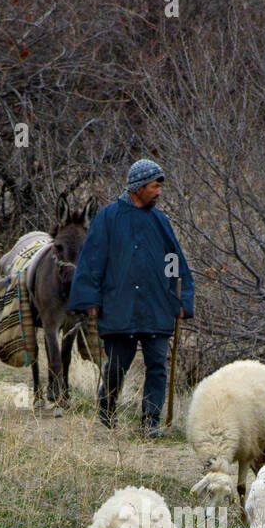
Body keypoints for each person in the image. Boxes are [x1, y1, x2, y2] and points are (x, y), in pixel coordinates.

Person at [66, 159, 195, 434]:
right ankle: (107, 407)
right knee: (115, 368)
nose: (159, 192)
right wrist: (90, 300)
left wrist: (181, 298)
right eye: (154, 186)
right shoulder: (108, 218)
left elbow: (173, 260)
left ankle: (150, 423)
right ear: (138, 188)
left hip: (156, 307)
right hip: (118, 307)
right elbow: (92, 261)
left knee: (157, 367)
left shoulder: (160, 221)